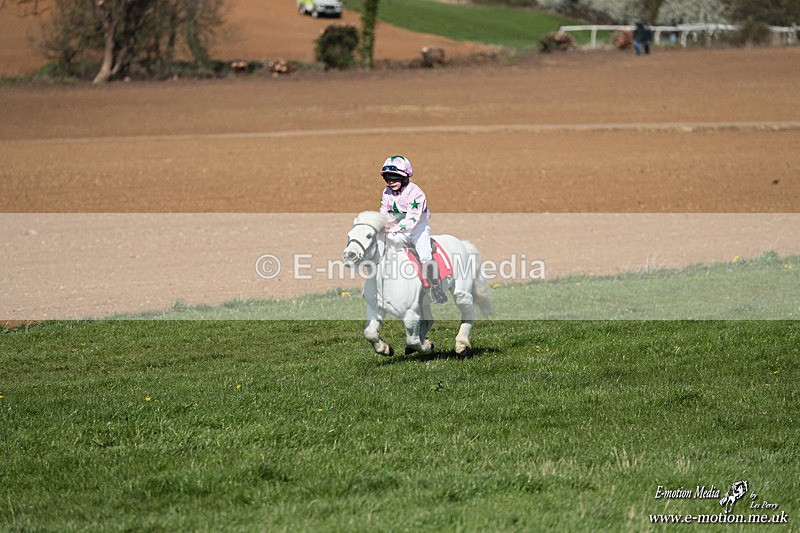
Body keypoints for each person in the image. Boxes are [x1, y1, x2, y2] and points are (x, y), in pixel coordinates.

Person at [378, 155, 448, 304]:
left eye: (395, 177)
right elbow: (384, 211)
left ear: (405, 177)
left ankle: (436, 288)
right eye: (388, 177)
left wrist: (393, 229)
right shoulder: (387, 193)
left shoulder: (416, 193)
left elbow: (412, 220)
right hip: (398, 230)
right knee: (383, 248)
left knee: (424, 256)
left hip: (418, 229)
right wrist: (380, 225)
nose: (391, 181)